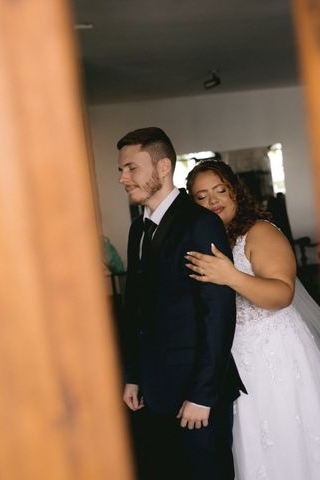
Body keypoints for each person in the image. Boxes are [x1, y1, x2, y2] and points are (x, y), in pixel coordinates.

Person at [186, 160, 320, 480]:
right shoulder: (212, 240)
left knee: (290, 434)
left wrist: (230, 276)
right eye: (202, 197)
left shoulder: (259, 232)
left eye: (220, 190)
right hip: (236, 359)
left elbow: (281, 294)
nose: (213, 201)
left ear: (236, 191)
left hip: (278, 355)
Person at [117, 127, 245, 480]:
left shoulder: (200, 224)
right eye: (121, 170)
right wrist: (133, 376)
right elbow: (137, 309)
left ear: (162, 168)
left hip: (197, 392)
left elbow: (218, 313)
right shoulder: (136, 229)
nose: (123, 178)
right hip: (152, 391)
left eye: (131, 168)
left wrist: (203, 395)